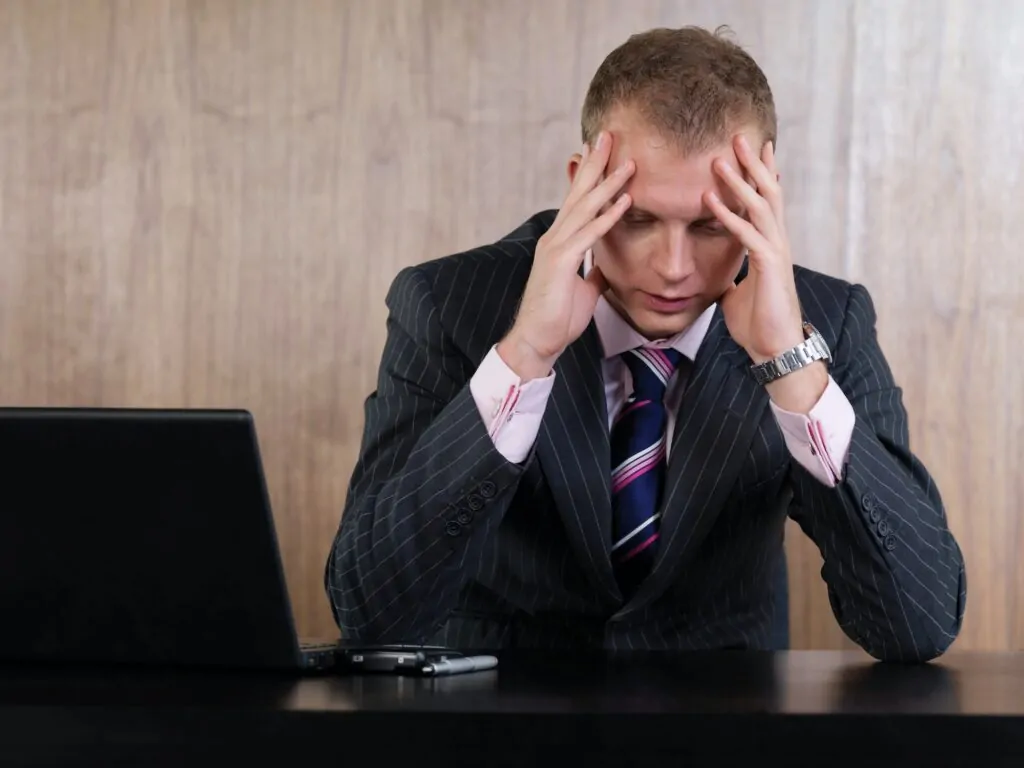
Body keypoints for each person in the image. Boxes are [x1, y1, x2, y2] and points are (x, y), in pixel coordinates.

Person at [324, 25, 966, 661]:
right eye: (636, 219)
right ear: (583, 185)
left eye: (713, 225)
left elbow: (919, 624)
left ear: (763, 200)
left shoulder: (829, 320)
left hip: (728, 733)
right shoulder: (446, 305)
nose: (673, 267)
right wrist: (525, 357)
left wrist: (790, 369)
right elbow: (371, 616)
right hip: (499, 730)